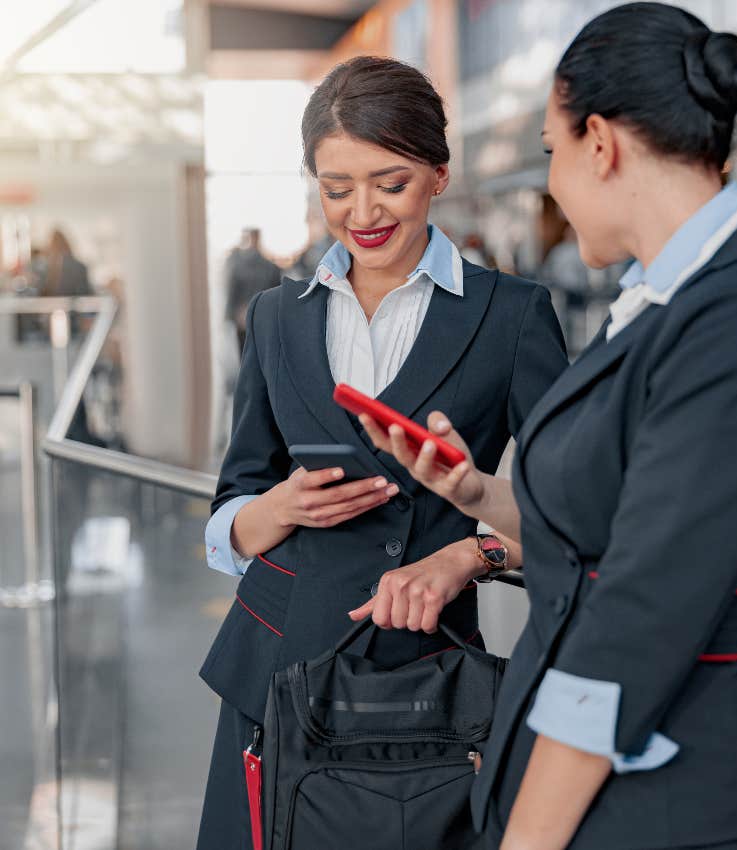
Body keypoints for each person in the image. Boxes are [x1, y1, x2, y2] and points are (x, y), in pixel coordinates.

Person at [359, 5, 737, 850]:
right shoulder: (660, 308)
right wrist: (473, 490)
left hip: (662, 813)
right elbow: (600, 534)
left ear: (601, 143)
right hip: (591, 802)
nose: (550, 183)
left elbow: (635, 623)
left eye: (551, 152)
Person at [196, 56, 567, 849]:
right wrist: (274, 508)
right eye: (336, 188)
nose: (361, 210)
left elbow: (570, 515)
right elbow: (232, 505)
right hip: (273, 671)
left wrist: (469, 555)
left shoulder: (511, 318)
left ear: (438, 174)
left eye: (388, 182)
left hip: (423, 680)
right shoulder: (275, 318)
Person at [224, 227, 281, 352]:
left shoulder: (239, 266)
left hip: (251, 318)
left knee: (246, 355)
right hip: (258, 318)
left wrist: (231, 315)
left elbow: (233, 293)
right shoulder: (271, 267)